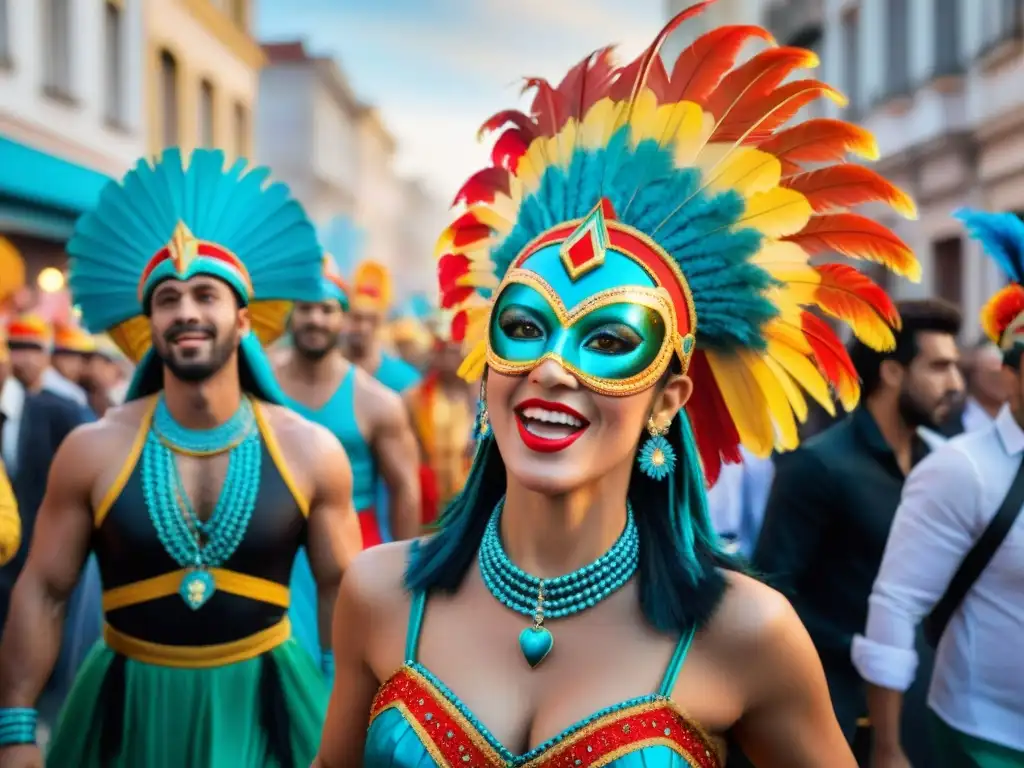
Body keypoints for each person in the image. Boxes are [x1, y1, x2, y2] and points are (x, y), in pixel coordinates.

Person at [313, 5, 919, 766]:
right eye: (526, 329)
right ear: (488, 366)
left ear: (668, 398)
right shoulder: (377, 594)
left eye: (607, 341)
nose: (553, 368)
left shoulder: (748, 634)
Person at [0, 148, 361, 768]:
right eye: (167, 298)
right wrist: (15, 731)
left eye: (205, 295)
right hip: (126, 713)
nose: (186, 310)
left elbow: (342, 593)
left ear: (243, 320)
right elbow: (44, 591)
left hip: (269, 709)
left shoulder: (310, 450)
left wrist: (341, 710)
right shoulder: (93, 448)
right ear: (150, 322)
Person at [753, 299, 963, 764]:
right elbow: (770, 593)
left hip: (932, 710)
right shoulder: (818, 466)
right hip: (840, 717)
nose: (956, 384)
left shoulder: (945, 463)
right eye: (940, 367)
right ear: (892, 373)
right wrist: (858, 646)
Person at [854, 209, 1024, 768]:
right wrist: (887, 747)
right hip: (985, 739)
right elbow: (896, 605)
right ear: (1010, 373)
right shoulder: (960, 468)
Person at [276, 255, 421, 664]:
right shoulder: (260, 385)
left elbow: (406, 488)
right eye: (306, 308)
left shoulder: (378, 402)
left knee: (340, 672)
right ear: (291, 315)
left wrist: (401, 577)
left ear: (342, 317)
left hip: (352, 555)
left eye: (327, 310)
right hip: (272, 551)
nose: (316, 319)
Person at [404, 315, 476, 523]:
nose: (447, 357)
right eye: (441, 349)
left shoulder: (486, 397)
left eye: (454, 350)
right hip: (429, 504)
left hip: (473, 502)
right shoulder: (414, 399)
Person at [344, 260, 422, 394]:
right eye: (356, 318)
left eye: (372, 320)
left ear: (383, 321)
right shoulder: (323, 373)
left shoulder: (406, 381)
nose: (363, 328)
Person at [939, 336, 1008, 437]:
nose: (1002, 380)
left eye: (1007, 373)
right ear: (974, 373)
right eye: (993, 374)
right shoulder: (947, 418)